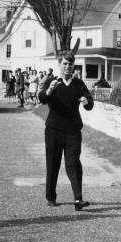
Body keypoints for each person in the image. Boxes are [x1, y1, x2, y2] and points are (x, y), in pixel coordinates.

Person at [38, 52, 94, 210]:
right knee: (53, 163)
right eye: (65, 64)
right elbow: (42, 98)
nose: (68, 67)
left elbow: (89, 103)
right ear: (59, 65)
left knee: (73, 163)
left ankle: (78, 199)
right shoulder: (52, 81)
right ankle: (50, 197)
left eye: (70, 64)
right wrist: (49, 90)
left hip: (72, 131)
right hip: (54, 131)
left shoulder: (78, 84)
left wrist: (86, 101)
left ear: (73, 65)